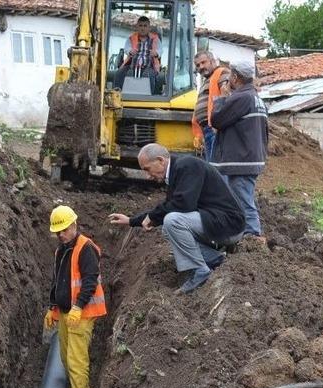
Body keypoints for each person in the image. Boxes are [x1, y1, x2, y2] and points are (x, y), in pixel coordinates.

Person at [108, 144, 244, 294]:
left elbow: (183, 204)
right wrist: (131, 221)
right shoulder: (179, 170)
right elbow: (170, 205)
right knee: (168, 228)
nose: (148, 175)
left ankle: (200, 270)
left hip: (229, 225)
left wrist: (152, 217)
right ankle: (214, 259)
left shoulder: (187, 165)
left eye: (147, 169)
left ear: (160, 160)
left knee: (172, 221)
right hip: (218, 223)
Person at [43, 205, 107, 388]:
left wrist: (78, 306)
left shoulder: (85, 248)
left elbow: (89, 281)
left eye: (63, 230)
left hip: (82, 312)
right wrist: (53, 307)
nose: (60, 235)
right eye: (57, 232)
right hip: (64, 311)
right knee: (64, 355)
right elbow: (58, 281)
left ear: (73, 225)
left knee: (76, 358)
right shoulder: (61, 250)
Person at [209, 59, 269, 239]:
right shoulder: (255, 98)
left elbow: (217, 120)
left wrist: (222, 98)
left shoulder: (241, 98)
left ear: (235, 77)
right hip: (251, 158)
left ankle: (252, 237)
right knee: (243, 197)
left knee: (243, 200)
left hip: (242, 160)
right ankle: (245, 234)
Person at [191, 51, 229, 161]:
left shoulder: (221, 72)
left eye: (203, 62)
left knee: (216, 166)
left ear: (212, 61)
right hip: (207, 129)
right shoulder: (207, 80)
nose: (201, 67)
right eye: (198, 65)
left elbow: (226, 92)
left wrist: (219, 121)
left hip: (215, 128)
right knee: (212, 165)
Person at [114, 16, 161, 93]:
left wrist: (156, 53)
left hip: (149, 66)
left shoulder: (155, 39)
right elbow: (127, 48)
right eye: (140, 26)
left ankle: (151, 96)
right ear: (137, 27)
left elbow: (160, 50)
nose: (143, 28)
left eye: (145, 26)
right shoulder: (131, 38)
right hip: (132, 65)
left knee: (149, 76)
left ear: (149, 28)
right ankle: (116, 93)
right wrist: (130, 51)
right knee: (119, 73)